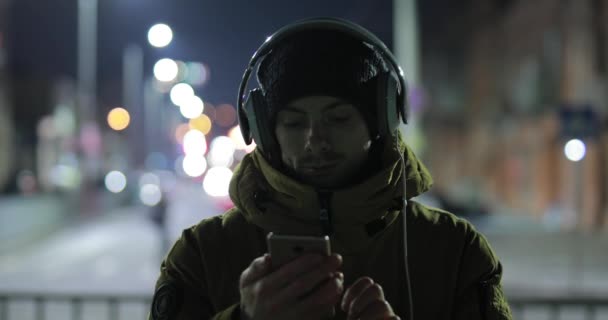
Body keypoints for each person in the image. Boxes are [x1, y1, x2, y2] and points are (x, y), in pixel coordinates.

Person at [148, 18, 513, 320]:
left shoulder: (454, 250)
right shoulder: (202, 253)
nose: (315, 141)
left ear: (380, 124)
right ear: (264, 132)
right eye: (293, 124)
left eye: (338, 119)